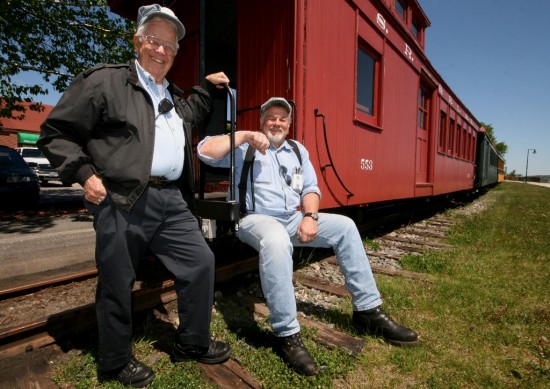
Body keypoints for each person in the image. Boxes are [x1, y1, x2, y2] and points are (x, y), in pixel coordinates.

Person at [38, 4, 231, 387]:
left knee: (200, 264)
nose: (161, 50)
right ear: (138, 41)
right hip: (122, 198)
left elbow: (193, 111)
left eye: (170, 46)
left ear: (176, 54)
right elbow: (55, 132)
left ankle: (192, 343)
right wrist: (84, 174)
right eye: (154, 41)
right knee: (117, 279)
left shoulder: (174, 96)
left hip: (172, 200)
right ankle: (114, 361)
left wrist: (207, 87)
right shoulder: (105, 82)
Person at [197, 97, 419, 376]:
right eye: (271, 117)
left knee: (346, 227)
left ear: (289, 125)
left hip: (293, 218)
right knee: (276, 240)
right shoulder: (245, 147)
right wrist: (242, 135)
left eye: (283, 118)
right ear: (262, 120)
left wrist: (310, 216)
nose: (276, 122)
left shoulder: (297, 150)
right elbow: (204, 151)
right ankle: (286, 335)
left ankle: (367, 311)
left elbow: (310, 189)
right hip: (254, 218)